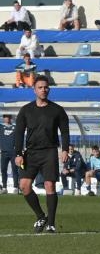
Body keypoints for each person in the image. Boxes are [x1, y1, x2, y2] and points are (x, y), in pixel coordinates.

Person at [14, 75, 70, 233]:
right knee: (24, 186)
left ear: (49, 89)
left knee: (49, 185)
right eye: (40, 87)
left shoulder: (57, 110)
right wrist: (18, 153)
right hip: (30, 153)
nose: (43, 90)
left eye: (46, 87)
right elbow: (19, 133)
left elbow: (64, 132)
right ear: (34, 89)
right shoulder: (26, 110)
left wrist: (64, 149)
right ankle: (40, 216)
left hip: (49, 152)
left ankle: (51, 224)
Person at [0, 115, 19, 194]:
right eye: (5, 117)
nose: (6, 118)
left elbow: (19, 137)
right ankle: (4, 187)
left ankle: (15, 187)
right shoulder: (1, 127)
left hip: (13, 152)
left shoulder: (15, 127)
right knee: (3, 170)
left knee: (15, 170)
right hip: (4, 152)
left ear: (11, 118)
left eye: (8, 117)